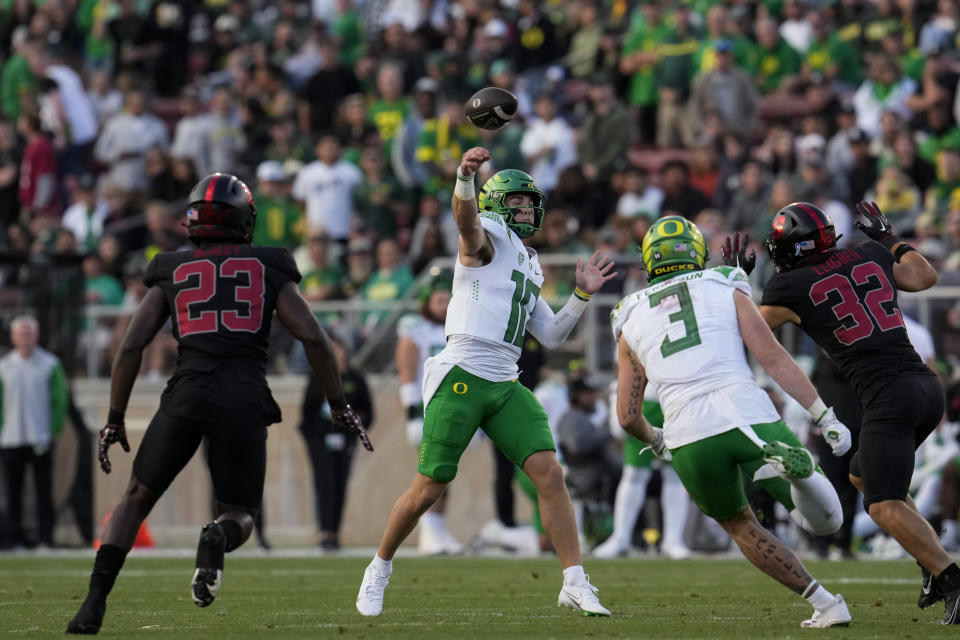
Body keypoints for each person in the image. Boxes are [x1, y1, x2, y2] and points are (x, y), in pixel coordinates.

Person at [66, 173, 372, 634]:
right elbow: (312, 335)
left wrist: (115, 418)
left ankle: (93, 602)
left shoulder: (171, 268)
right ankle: (217, 536)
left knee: (134, 498)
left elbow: (130, 345)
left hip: (187, 392)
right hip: (244, 397)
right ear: (243, 220)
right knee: (241, 514)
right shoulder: (268, 266)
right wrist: (339, 404)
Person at [356, 147, 616, 617]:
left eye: (528, 203)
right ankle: (379, 567)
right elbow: (466, 224)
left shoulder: (530, 260)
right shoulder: (488, 231)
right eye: (516, 202)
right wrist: (464, 178)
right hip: (463, 372)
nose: (525, 210)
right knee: (429, 488)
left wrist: (580, 296)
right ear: (496, 204)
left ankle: (575, 582)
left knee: (550, 475)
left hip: (505, 380)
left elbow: (552, 335)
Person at [613, 216, 853, 628]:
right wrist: (823, 414)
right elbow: (772, 356)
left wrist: (657, 442)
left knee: (741, 525)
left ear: (649, 260)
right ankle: (799, 472)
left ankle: (826, 603)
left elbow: (627, 415)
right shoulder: (725, 280)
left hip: (687, 432)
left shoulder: (627, 312)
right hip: (744, 409)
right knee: (827, 522)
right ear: (697, 251)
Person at [726, 201, 956, 621]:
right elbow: (925, 276)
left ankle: (951, 579)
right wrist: (888, 239)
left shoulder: (789, 285)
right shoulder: (870, 254)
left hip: (889, 396)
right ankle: (932, 562)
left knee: (883, 503)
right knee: (862, 474)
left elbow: (745, 331)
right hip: (925, 387)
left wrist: (735, 281)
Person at [396, 271, 464, 555]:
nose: (444, 305)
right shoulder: (415, 328)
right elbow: (407, 371)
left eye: (448, 300)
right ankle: (428, 532)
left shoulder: (457, 326)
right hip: (428, 407)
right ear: (426, 301)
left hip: (452, 407)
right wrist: (412, 413)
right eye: (439, 300)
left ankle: (436, 528)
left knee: (445, 473)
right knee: (433, 473)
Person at [593, 383, 692, 560]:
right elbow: (625, 361)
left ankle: (673, 540)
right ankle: (620, 538)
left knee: (675, 475)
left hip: (675, 396)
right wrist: (620, 395)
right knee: (633, 474)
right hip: (643, 398)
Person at [300, 334, 373, 550]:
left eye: (337, 348)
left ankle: (334, 532)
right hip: (320, 440)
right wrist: (314, 437)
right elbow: (307, 413)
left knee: (340, 484)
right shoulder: (316, 378)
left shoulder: (355, 379)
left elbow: (368, 412)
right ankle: (324, 531)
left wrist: (354, 431)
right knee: (325, 484)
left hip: (345, 440)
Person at [0, 315, 68, 549]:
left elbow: (59, 401)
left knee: (43, 492)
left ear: (36, 336)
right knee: (13, 492)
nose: (25, 338)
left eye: (29, 333)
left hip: (40, 437)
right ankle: (14, 538)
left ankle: (45, 538)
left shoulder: (50, 364)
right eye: (21, 333)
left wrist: (52, 431)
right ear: (13, 337)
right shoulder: (4, 366)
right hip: (11, 438)